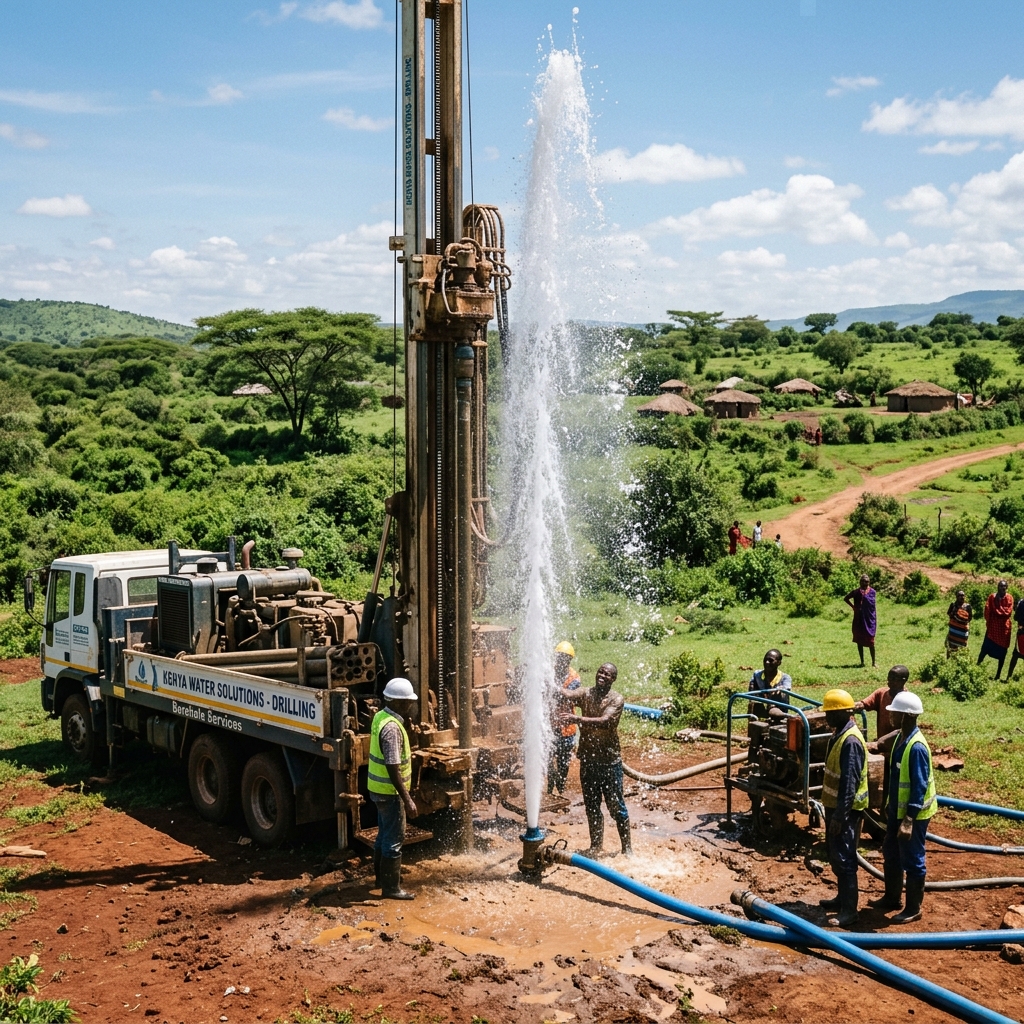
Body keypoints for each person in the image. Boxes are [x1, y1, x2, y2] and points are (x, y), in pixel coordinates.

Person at [869, 691, 936, 923]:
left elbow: (918, 785)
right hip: (898, 810)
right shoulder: (902, 736)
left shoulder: (916, 747)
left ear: (906, 716)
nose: (890, 716)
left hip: (913, 814)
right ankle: (892, 897)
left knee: (913, 858)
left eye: (894, 713)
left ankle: (914, 908)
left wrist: (908, 819)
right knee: (891, 852)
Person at [562, 663, 631, 858]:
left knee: (616, 807)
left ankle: (627, 849)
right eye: (600, 672)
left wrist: (577, 720)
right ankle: (595, 847)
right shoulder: (586, 693)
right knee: (592, 806)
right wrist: (544, 682)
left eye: (607, 674)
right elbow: (567, 694)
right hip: (588, 761)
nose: (602, 675)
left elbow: (605, 721)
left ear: (613, 679)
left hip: (609, 763)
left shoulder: (616, 699)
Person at [818, 689, 869, 928]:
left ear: (842, 713)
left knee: (845, 857)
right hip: (834, 807)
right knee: (836, 854)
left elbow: (850, 782)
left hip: (845, 811)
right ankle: (841, 899)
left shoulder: (850, 741)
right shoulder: (839, 732)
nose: (826, 717)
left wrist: (840, 816)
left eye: (830, 713)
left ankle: (850, 911)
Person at [367, 677, 419, 900]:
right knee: (394, 840)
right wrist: (407, 799)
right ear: (398, 702)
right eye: (408, 702)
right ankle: (391, 888)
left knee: (383, 836)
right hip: (390, 792)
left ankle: (381, 879)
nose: (410, 705)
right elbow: (392, 766)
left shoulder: (381, 717)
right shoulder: (392, 729)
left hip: (378, 789)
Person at [856, 664, 910, 801]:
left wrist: (878, 744)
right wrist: (849, 706)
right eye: (889, 677)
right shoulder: (882, 693)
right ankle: (883, 810)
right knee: (886, 781)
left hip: (899, 749)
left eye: (893, 678)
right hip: (884, 750)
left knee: (898, 782)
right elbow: (865, 703)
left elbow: (904, 729)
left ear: (903, 681)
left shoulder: (907, 700)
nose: (889, 681)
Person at [548, 641, 582, 796]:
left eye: (565, 658)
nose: (561, 660)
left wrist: (548, 687)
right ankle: (550, 788)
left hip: (566, 727)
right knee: (548, 758)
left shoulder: (574, 678)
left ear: (569, 660)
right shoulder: (549, 672)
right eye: (559, 657)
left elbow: (562, 697)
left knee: (563, 761)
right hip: (549, 725)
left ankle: (560, 789)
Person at [978, 579, 1013, 679]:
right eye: (1001, 586)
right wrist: (990, 621)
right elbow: (987, 610)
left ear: (1007, 587)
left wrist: (997, 612)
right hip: (992, 629)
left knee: (1002, 653)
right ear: (997, 587)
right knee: (984, 649)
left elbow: (1008, 612)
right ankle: (977, 666)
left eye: (1004, 586)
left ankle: (998, 675)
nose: (1002, 588)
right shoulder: (992, 597)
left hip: (1004, 630)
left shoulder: (1010, 598)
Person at [747, 649, 792, 722]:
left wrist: (781, 689)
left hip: (779, 713)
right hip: (761, 711)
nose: (767, 663)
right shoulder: (757, 675)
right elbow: (751, 693)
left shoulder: (785, 678)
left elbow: (786, 689)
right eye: (765, 660)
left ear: (779, 663)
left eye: (771, 660)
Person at [845, 574, 877, 668]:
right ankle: (862, 662)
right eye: (863, 581)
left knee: (871, 641)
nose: (864, 583)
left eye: (866, 581)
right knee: (859, 640)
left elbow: (872, 607)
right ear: (860, 582)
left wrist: (873, 618)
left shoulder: (872, 592)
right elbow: (846, 598)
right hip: (859, 619)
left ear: (869, 582)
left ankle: (873, 662)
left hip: (869, 619)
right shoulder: (856, 592)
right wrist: (853, 607)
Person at [945, 590, 972, 657]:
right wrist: (955, 615)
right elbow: (949, 614)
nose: (961, 597)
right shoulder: (953, 605)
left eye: (963, 595)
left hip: (962, 633)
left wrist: (962, 620)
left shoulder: (968, 607)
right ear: (956, 597)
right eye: (959, 595)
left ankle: (961, 661)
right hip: (953, 632)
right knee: (950, 647)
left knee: (962, 649)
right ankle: (948, 661)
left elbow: (970, 618)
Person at [1004, 595, 1024, 681]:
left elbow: (1015, 618)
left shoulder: (1021, 603)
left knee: (1016, 655)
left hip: (1021, 632)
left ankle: (1008, 676)